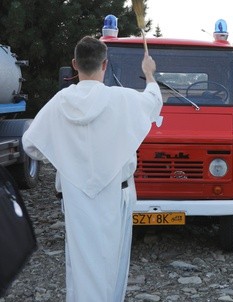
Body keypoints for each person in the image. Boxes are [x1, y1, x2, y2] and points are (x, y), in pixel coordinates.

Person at [22, 36, 162, 302]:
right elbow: (153, 102)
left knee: (81, 263)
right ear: (105, 64)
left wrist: (65, 154)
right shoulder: (121, 98)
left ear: (75, 64)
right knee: (114, 262)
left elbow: (30, 145)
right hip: (116, 192)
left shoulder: (60, 102)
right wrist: (148, 73)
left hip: (75, 195)